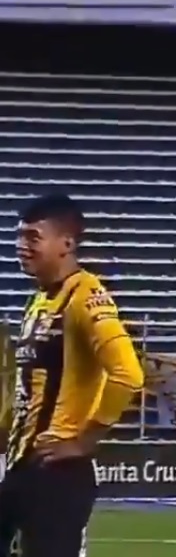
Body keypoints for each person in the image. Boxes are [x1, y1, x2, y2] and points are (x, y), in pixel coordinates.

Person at [0, 194, 145, 557]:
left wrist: (82, 442)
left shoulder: (86, 295)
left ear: (66, 243)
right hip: (23, 467)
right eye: (19, 236)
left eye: (33, 237)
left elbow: (128, 374)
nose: (22, 246)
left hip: (56, 474)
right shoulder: (40, 301)